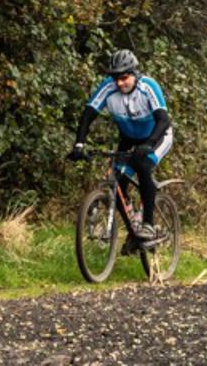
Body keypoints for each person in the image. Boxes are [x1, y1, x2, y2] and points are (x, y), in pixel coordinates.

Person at [73, 49, 172, 241]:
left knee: (143, 165)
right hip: (128, 138)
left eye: (124, 78)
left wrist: (149, 144)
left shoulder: (148, 86)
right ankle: (134, 234)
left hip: (157, 135)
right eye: (115, 78)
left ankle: (149, 225)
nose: (119, 83)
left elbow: (164, 120)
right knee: (117, 183)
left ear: (134, 73)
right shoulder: (108, 87)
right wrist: (79, 144)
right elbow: (87, 115)